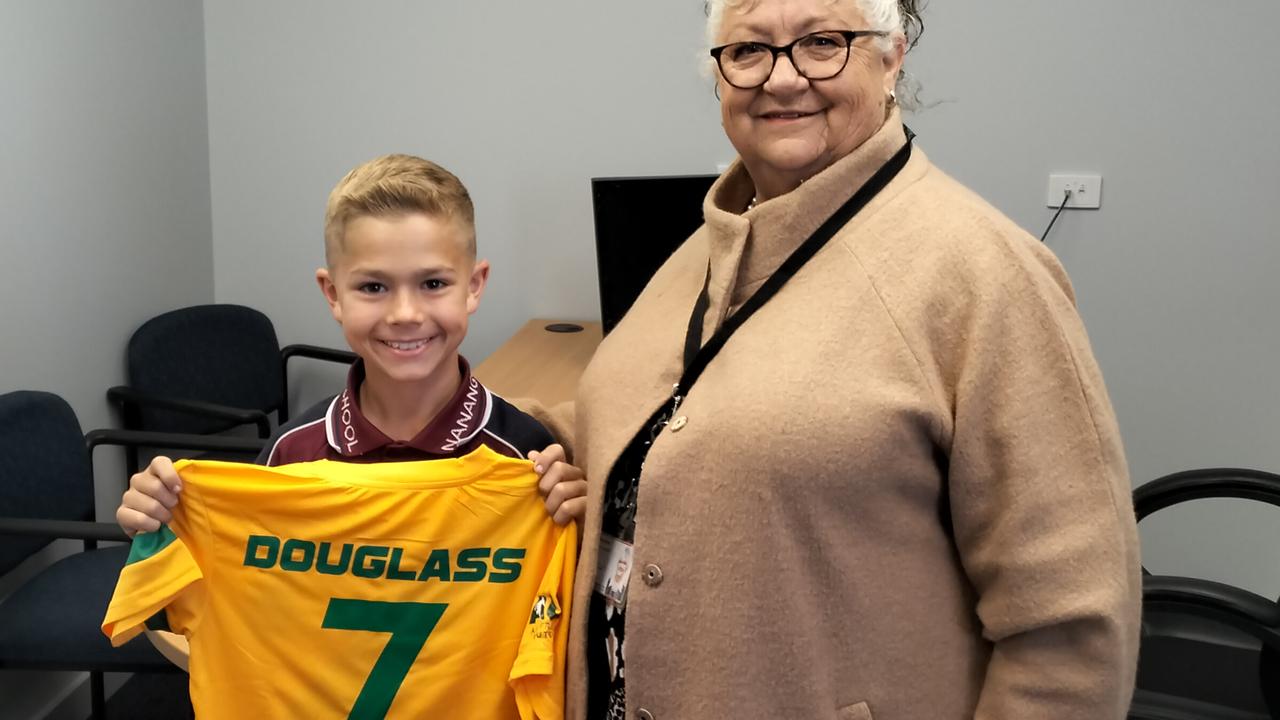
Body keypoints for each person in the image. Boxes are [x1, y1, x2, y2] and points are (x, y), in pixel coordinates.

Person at [547, 1, 1143, 718]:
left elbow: (1070, 627)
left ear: (892, 57)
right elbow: (666, 420)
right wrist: (474, 418)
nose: (782, 78)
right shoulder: (709, 246)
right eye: (747, 51)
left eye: (823, 43)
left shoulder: (985, 273)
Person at [118, 154, 586, 532]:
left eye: (433, 283)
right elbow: (220, 590)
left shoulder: (528, 457)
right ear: (333, 294)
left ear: (474, 286)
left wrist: (585, 528)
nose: (405, 314)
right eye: (374, 288)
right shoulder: (289, 455)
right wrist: (164, 524)